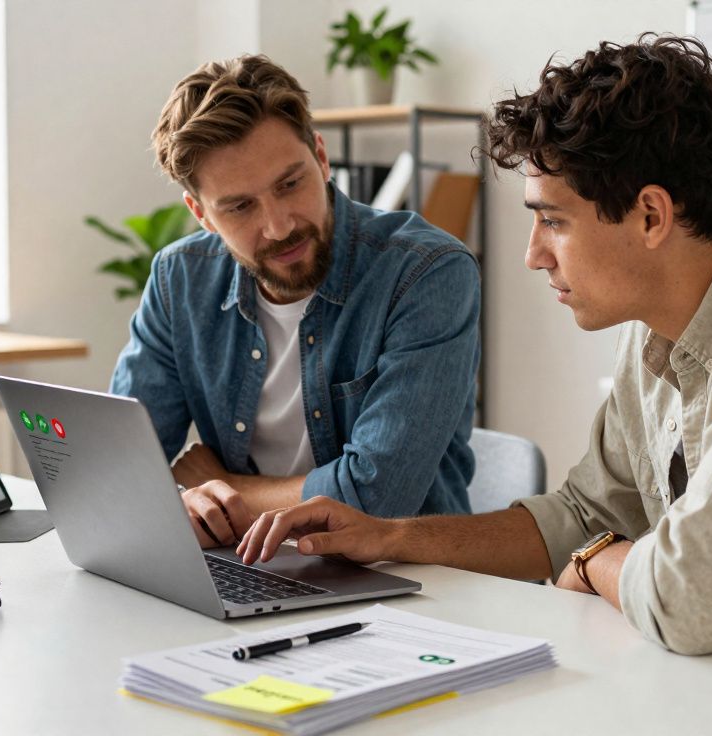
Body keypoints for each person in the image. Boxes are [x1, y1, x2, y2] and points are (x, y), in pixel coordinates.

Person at [235, 34, 712, 667]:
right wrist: (395, 537)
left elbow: (693, 598)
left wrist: (594, 564)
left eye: (552, 220)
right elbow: (583, 515)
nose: (533, 256)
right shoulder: (658, 327)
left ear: (651, 216)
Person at [110, 55, 480, 548]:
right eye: (240, 206)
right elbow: (120, 465)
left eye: (290, 183)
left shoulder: (424, 272)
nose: (279, 226)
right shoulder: (180, 279)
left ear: (321, 158)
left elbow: (374, 501)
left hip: (401, 580)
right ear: (201, 213)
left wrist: (227, 490)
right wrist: (181, 499)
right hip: (247, 567)